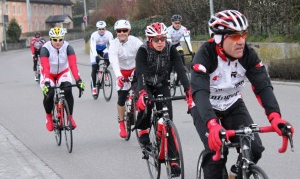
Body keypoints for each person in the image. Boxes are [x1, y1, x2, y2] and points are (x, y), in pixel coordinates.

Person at [190, 9, 294, 179]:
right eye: (234, 36)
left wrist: (275, 117)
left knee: (254, 148)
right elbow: (199, 92)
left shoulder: (248, 55)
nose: (241, 42)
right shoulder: (205, 55)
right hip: (205, 106)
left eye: (243, 34)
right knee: (215, 153)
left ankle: (236, 173)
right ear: (219, 39)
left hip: (232, 103)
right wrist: (212, 123)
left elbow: (263, 87)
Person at [133, 22, 194, 177]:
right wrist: (142, 92)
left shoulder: (171, 49)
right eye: (156, 39)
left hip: (161, 83)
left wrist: (188, 89)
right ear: (149, 40)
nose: (160, 42)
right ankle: (143, 130)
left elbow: (180, 69)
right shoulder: (143, 51)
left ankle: (173, 160)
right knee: (146, 104)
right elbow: (140, 73)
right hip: (144, 83)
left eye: (163, 39)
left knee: (167, 120)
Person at [40, 27, 85, 131]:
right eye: (55, 39)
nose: (58, 42)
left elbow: (73, 65)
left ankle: (70, 118)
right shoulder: (45, 49)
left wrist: (78, 80)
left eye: (60, 39)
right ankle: (49, 117)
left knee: (68, 89)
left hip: (62, 72)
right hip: (48, 74)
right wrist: (47, 82)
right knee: (49, 94)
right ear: (51, 39)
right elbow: (46, 67)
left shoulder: (68, 47)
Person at [108, 19, 143, 138]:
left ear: (129, 31)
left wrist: (140, 72)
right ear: (116, 32)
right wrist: (118, 76)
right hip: (121, 71)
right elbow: (114, 61)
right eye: (119, 31)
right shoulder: (113, 44)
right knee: (121, 98)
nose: (122, 32)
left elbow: (143, 56)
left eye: (124, 30)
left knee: (141, 93)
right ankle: (122, 123)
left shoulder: (136, 41)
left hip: (134, 69)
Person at [90, 21, 114, 96]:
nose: (101, 30)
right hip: (94, 51)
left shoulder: (109, 34)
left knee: (108, 58)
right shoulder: (94, 35)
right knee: (94, 68)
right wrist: (95, 56)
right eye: (99, 29)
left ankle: (105, 70)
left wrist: (113, 54)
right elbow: (93, 47)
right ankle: (94, 87)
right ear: (97, 29)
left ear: (105, 28)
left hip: (103, 49)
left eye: (103, 29)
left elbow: (112, 45)